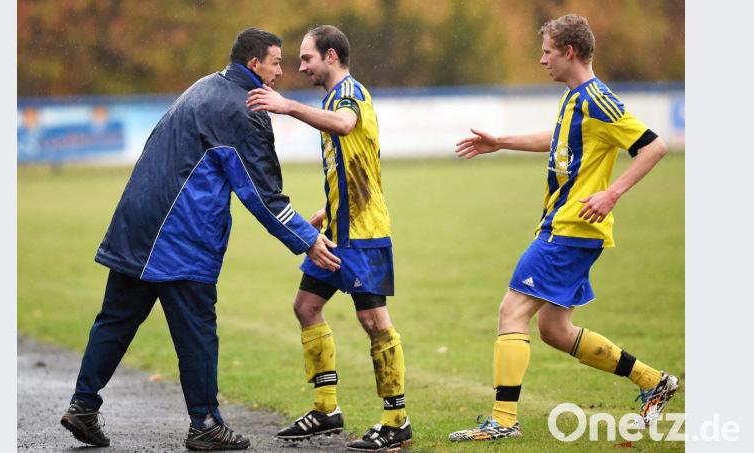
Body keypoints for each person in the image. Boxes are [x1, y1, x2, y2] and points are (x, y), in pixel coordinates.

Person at [59, 28, 340, 451]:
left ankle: (83, 405)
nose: (282, 71)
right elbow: (262, 194)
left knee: (116, 319)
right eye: (277, 62)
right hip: (178, 236)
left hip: (136, 224)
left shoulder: (205, 85)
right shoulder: (245, 110)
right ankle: (205, 423)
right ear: (254, 65)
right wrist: (306, 239)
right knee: (197, 331)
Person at [447, 14, 679, 442]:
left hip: (571, 228)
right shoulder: (574, 98)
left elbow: (654, 146)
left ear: (569, 52)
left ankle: (503, 419)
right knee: (554, 330)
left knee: (511, 311)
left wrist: (612, 194)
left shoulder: (598, 98)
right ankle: (653, 380)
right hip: (565, 227)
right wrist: (500, 142)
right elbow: (556, 139)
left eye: (547, 52)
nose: (541, 60)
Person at [246, 25, 412, 451]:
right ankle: (326, 410)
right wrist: (326, 210)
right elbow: (352, 160)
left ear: (332, 56)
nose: (300, 67)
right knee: (306, 306)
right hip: (339, 229)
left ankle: (396, 421)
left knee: (374, 321)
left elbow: (344, 125)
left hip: (364, 233)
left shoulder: (348, 94)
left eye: (307, 58)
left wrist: (285, 106)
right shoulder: (332, 96)